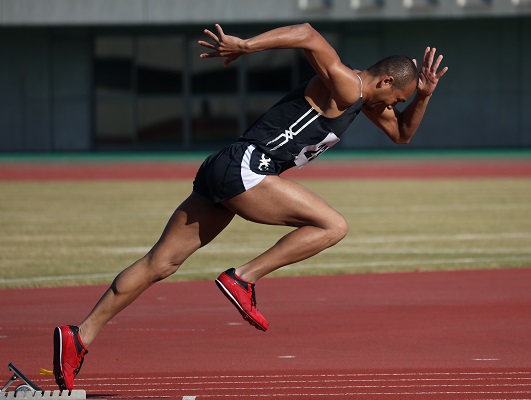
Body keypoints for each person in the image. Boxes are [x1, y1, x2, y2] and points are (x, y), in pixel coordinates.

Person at [52, 22, 448, 391]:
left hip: (226, 165)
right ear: (385, 81)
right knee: (333, 226)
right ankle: (244, 277)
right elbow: (309, 34)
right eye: (397, 98)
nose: (393, 106)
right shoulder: (347, 86)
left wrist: (424, 96)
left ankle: (79, 336)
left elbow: (403, 135)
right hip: (248, 167)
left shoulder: (365, 102)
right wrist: (246, 46)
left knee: (162, 263)